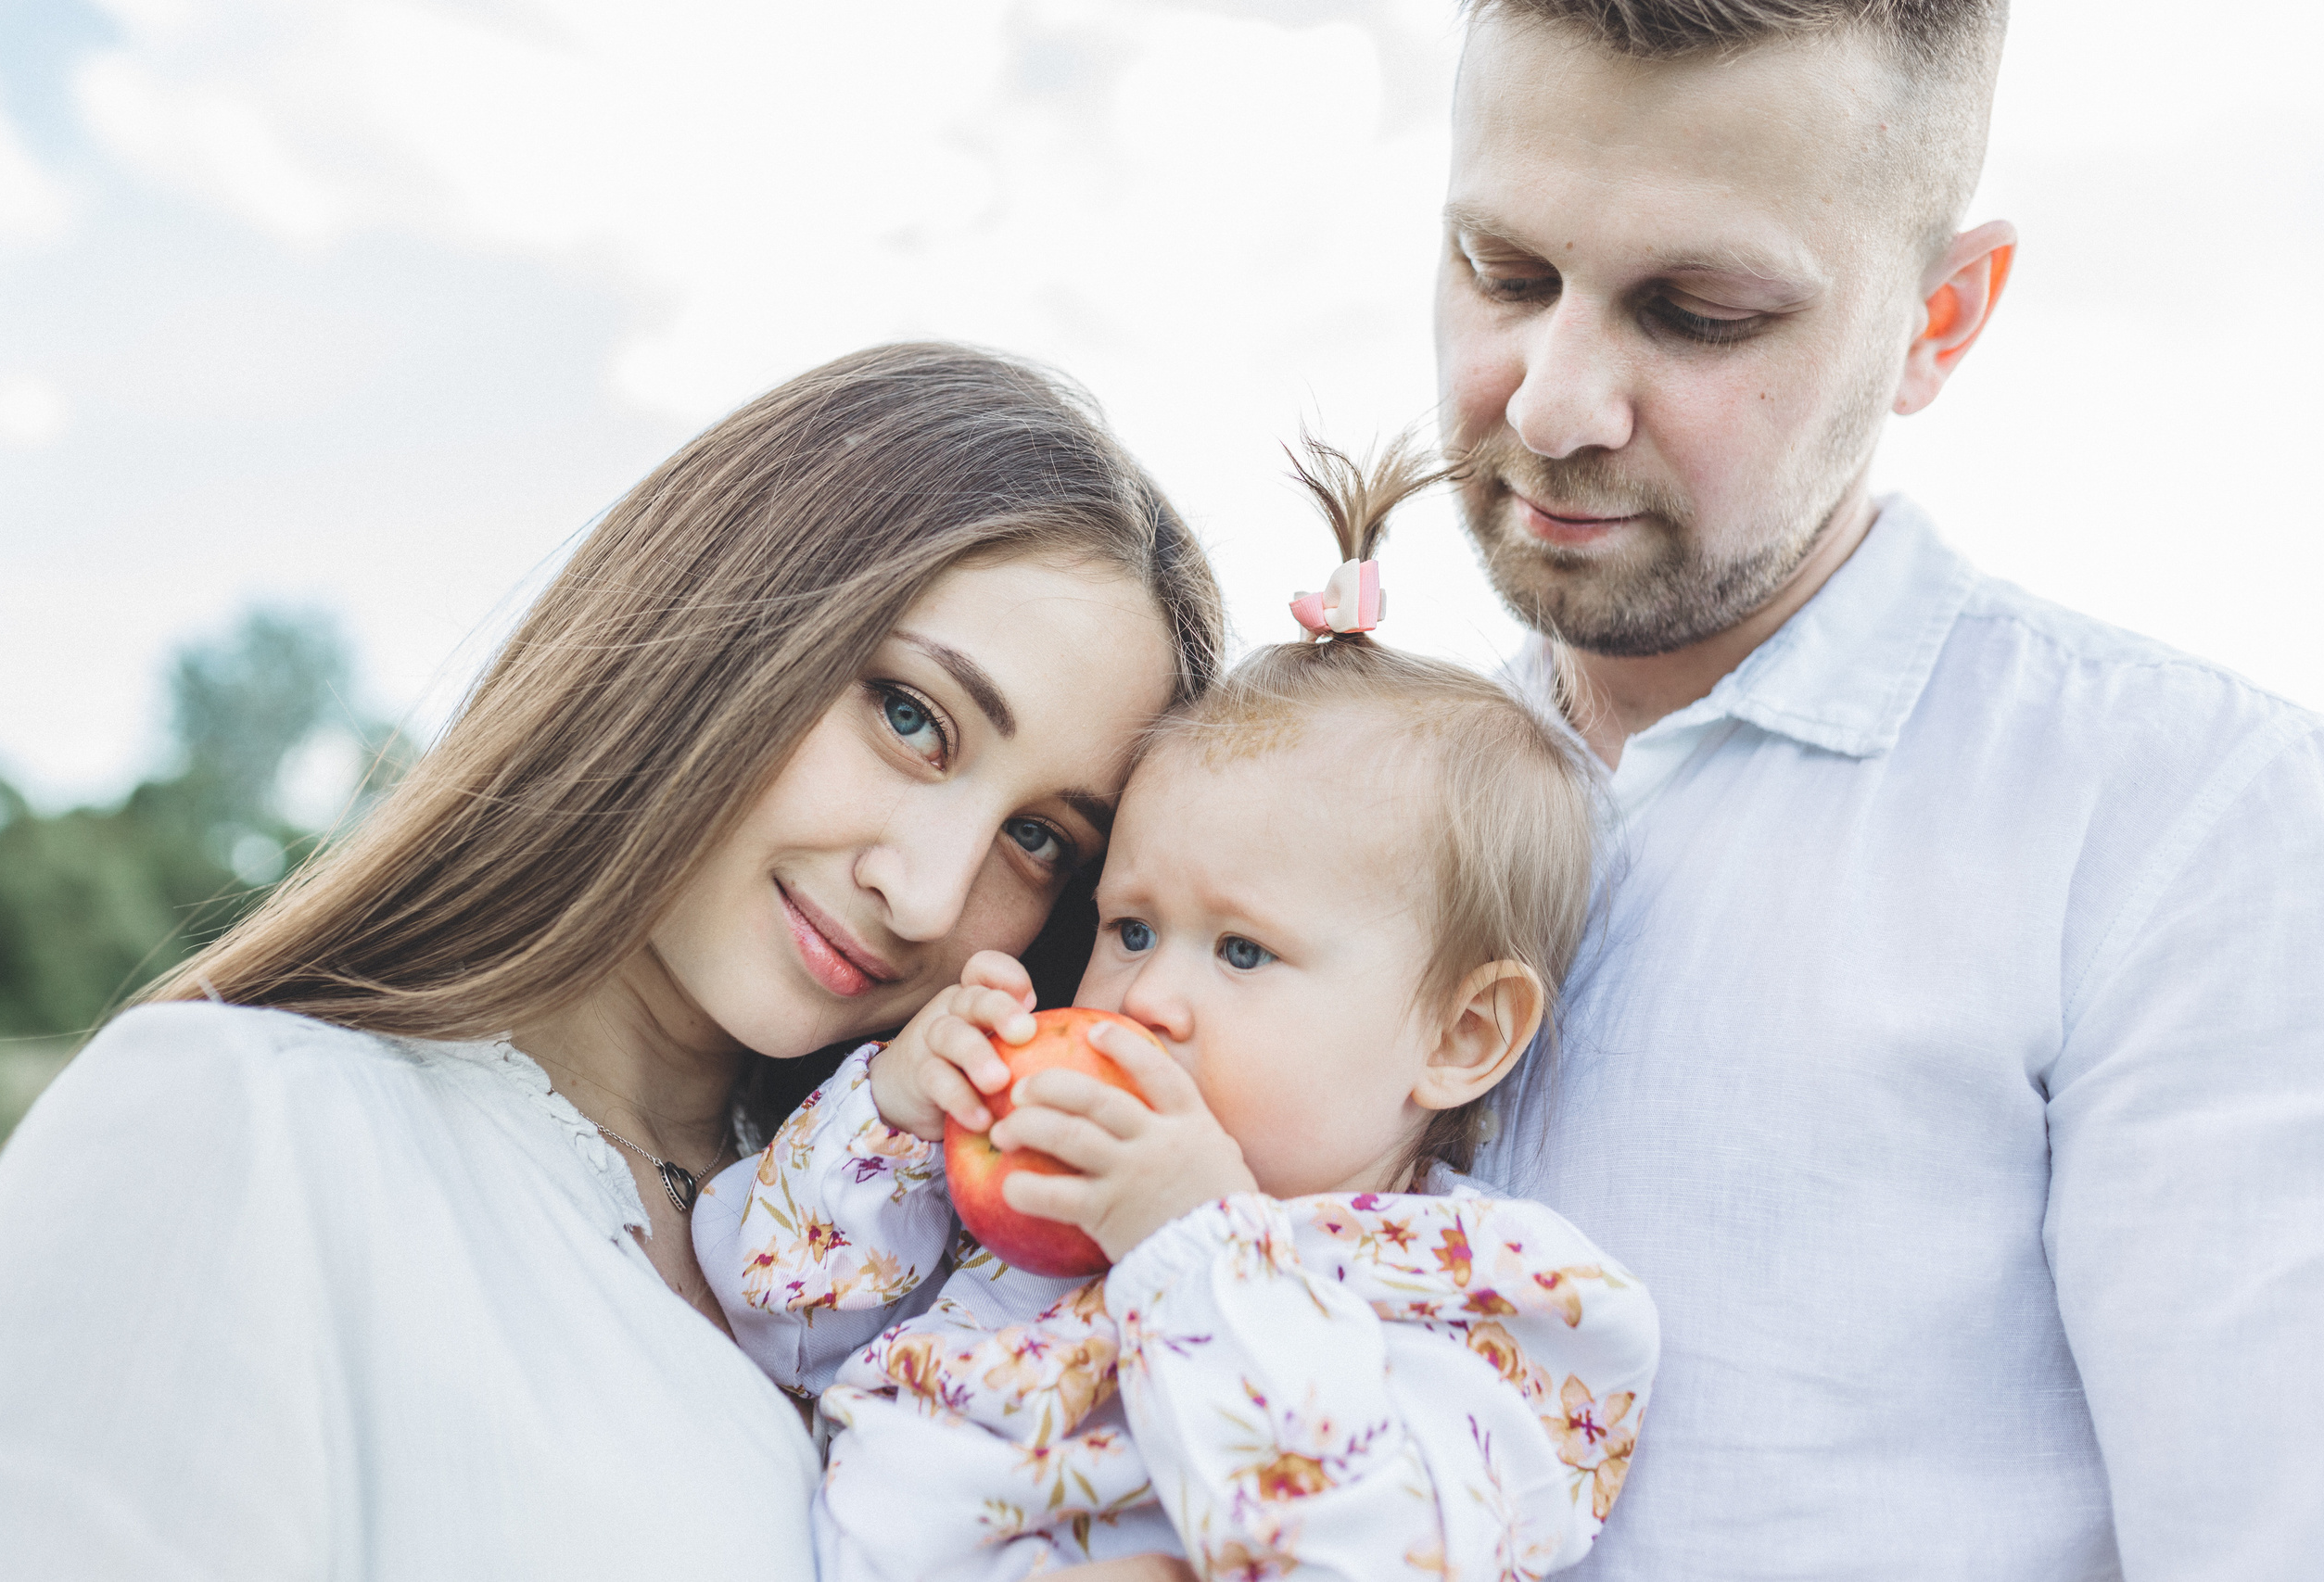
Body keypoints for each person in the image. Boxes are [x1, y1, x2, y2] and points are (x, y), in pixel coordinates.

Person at [0, 343, 1225, 1579]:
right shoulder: (238, 1124)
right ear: (728, 620)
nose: (927, 891)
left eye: (1039, 838)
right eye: (910, 715)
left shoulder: (978, 1307)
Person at [1437, 3, 2324, 1578]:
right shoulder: (1331, 795)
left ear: (1941, 321)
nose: (1551, 403)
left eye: (1700, 311)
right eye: (1505, 275)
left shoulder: (2185, 827)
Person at [694, 445, 1661, 1581]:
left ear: (1461, 1038)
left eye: (1242, 949)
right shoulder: (1029, 1190)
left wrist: (1195, 1246)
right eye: (1131, 929)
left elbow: (1371, 1552)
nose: (1146, 996)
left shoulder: (1474, 1289)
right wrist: (897, 1117)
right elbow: (770, 1325)